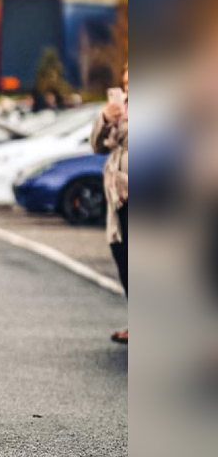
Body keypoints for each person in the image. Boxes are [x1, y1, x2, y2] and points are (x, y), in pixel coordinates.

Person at [92, 64, 128, 344]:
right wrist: (105, 117)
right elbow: (97, 145)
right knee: (121, 253)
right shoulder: (120, 106)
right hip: (118, 195)